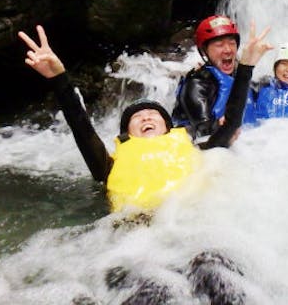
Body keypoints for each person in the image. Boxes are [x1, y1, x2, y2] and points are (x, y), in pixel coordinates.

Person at [18, 23, 271, 213]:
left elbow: (232, 125)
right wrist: (59, 78)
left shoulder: (196, 148)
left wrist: (246, 65)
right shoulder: (107, 165)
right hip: (138, 240)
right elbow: (81, 127)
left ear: (168, 129)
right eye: (137, 117)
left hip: (191, 224)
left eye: (154, 115)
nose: (146, 117)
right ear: (127, 133)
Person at [171, 15, 241, 143]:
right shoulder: (196, 86)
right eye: (219, 45)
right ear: (204, 51)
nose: (228, 50)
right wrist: (225, 127)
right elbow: (205, 135)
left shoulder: (239, 77)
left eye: (232, 43)